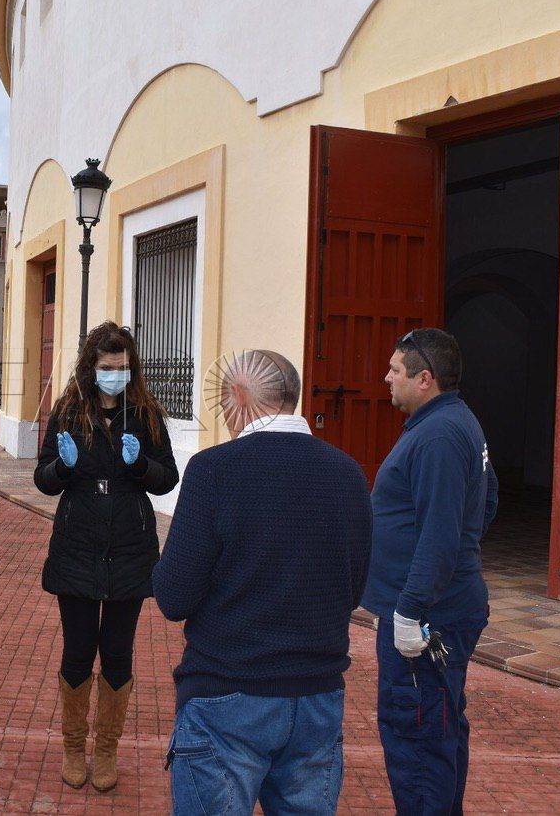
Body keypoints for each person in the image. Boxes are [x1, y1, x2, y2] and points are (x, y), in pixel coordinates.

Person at [153, 350, 371, 815]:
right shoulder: (348, 472)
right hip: (317, 695)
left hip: (228, 690)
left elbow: (173, 597)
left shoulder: (215, 470)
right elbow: (354, 589)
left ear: (237, 395)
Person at [34, 320, 178, 793]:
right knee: (78, 650)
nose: (114, 374)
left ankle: (106, 748)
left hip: (130, 551)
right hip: (77, 548)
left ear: (131, 368)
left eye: (121, 367)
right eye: (106, 367)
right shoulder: (68, 412)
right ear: (90, 368)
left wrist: (141, 465)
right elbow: (43, 480)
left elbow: (167, 478)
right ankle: (74, 745)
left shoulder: (147, 413)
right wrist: (62, 466)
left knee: (117, 652)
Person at [362, 328, 498, 815]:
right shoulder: (454, 422)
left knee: (417, 734)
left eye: (395, 371)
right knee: (439, 727)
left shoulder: (440, 434)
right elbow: (485, 506)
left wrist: (410, 608)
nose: (386, 378)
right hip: (443, 607)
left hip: (426, 619)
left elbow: (441, 534)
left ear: (425, 378)